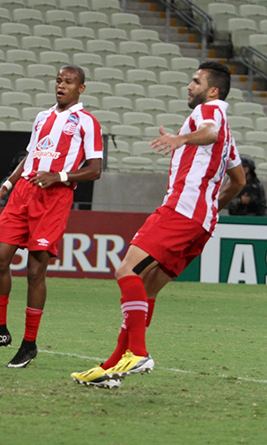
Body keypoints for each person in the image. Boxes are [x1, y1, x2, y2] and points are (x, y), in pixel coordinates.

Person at [71, 61, 246, 389]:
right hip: (202, 221)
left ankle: (138, 352)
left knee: (126, 271)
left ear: (213, 90)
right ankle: (112, 367)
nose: (189, 86)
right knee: (146, 290)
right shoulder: (228, 136)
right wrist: (209, 208)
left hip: (180, 212)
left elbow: (208, 132)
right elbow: (238, 181)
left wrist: (182, 140)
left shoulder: (211, 112)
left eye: (196, 81)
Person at [0, 65, 103, 368]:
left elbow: (95, 169)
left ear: (80, 88)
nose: (61, 86)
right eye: (59, 81)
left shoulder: (86, 122)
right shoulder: (43, 117)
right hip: (23, 194)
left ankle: (29, 344)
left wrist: (60, 176)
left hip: (54, 197)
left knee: (35, 271)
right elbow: (31, 156)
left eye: (68, 82)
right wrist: (6, 185)